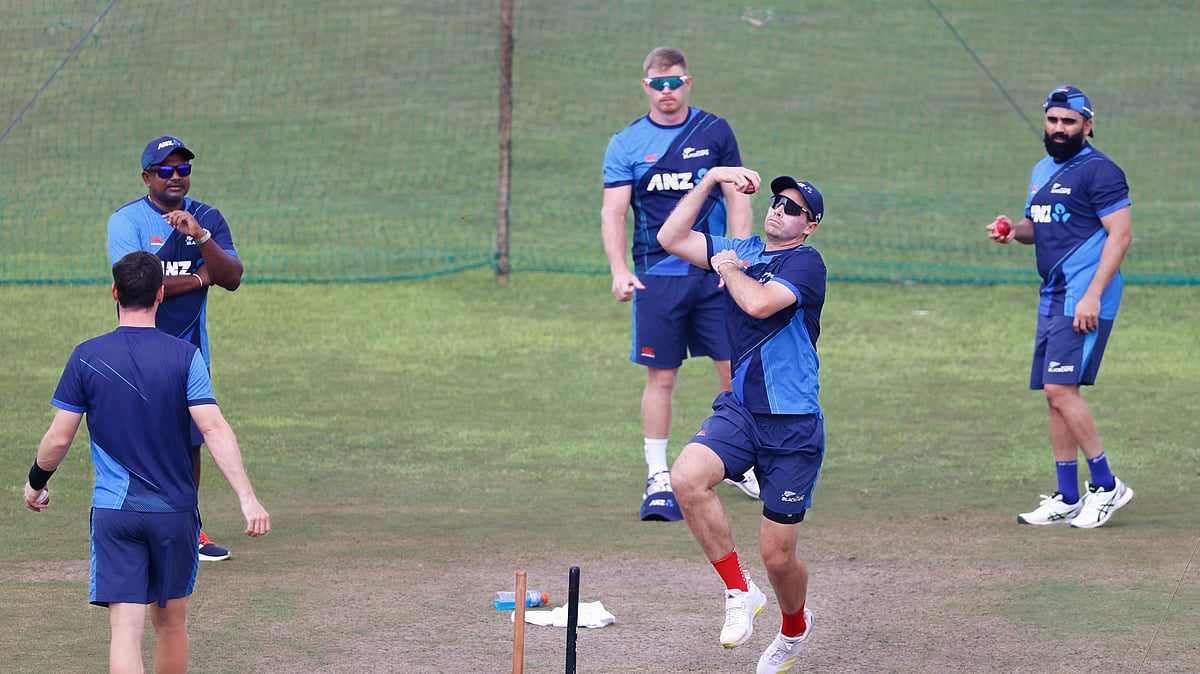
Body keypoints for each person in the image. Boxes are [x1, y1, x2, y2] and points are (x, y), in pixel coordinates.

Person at [23, 251, 269, 674]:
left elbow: (59, 438)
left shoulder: (86, 356)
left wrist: (35, 483)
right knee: (172, 626)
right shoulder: (186, 357)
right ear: (160, 294)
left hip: (117, 514)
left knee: (125, 632)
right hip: (175, 513)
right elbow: (213, 429)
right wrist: (247, 497)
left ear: (115, 293)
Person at [658, 166, 826, 673]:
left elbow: (756, 303)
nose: (779, 210)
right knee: (686, 477)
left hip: (792, 426)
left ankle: (795, 628)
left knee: (778, 557)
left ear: (809, 225)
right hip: (741, 410)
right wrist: (710, 180)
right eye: (777, 202)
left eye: (793, 208)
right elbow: (671, 237)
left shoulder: (806, 263)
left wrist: (728, 267)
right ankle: (738, 590)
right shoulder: (745, 250)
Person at [601, 46, 759, 521]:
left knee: (735, 370)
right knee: (662, 376)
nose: (666, 92)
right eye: (657, 84)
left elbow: (738, 197)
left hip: (712, 272)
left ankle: (738, 460)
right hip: (655, 277)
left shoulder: (714, 131)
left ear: (688, 83)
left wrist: (740, 255)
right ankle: (658, 474)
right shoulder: (626, 143)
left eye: (675, 83)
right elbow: (613, 212)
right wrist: (618, 269)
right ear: (645, 86)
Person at [987, 85, 1134, 529]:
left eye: (1069, 122)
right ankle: (1067, 495)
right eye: (1053, 120)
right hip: (1053, 294)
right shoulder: (1041, 170)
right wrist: (1014, 230)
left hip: (1084, 296)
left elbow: (1120, 234)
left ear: (1087, 126)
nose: (1059, 128)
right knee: (1054, 397)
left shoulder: (1100, 171)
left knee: (1060, 391)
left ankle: (1107, 486)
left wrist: (1092, 294)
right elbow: (1039, 226)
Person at [108, 135, 245, 560]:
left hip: (189, 352)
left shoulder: (208, 218)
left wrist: (201, 237)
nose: (175, 177)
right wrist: (203, 279)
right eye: (165, 170)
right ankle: (132, 525)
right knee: (139, 439)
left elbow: (233, 275)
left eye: (183, 169)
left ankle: (189, 530)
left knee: (190, 443)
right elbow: (141, 284)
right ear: (147, 176)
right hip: (137, 349)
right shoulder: (126, 221)